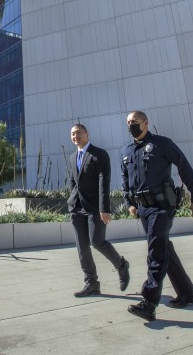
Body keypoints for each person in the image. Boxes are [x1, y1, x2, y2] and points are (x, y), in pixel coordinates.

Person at [120, 111, 193, 322]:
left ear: (146, 123)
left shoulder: (162, 144)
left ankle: (149, 302)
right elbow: (125, 179)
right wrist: (130, 203)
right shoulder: (126, 150)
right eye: (128, 122)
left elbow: (184, 166)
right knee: (164, 247)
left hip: (162, 206)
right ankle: (187, 293)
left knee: (156, 251)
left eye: (135, 122)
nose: (131, 125)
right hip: (143, 209)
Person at [67, 123, 130, 297]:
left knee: (97, 242)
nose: (75, 136)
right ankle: (91, 283)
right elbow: (72, 182)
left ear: (87, 134)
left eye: (78, 132)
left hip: (95, 208)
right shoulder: (73, 157)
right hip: (77, 208)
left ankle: (121, 265)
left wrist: (104, 208)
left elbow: (104, 182)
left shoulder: (99, 154)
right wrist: (71, 202)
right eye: (72, 134)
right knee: (82, 247)